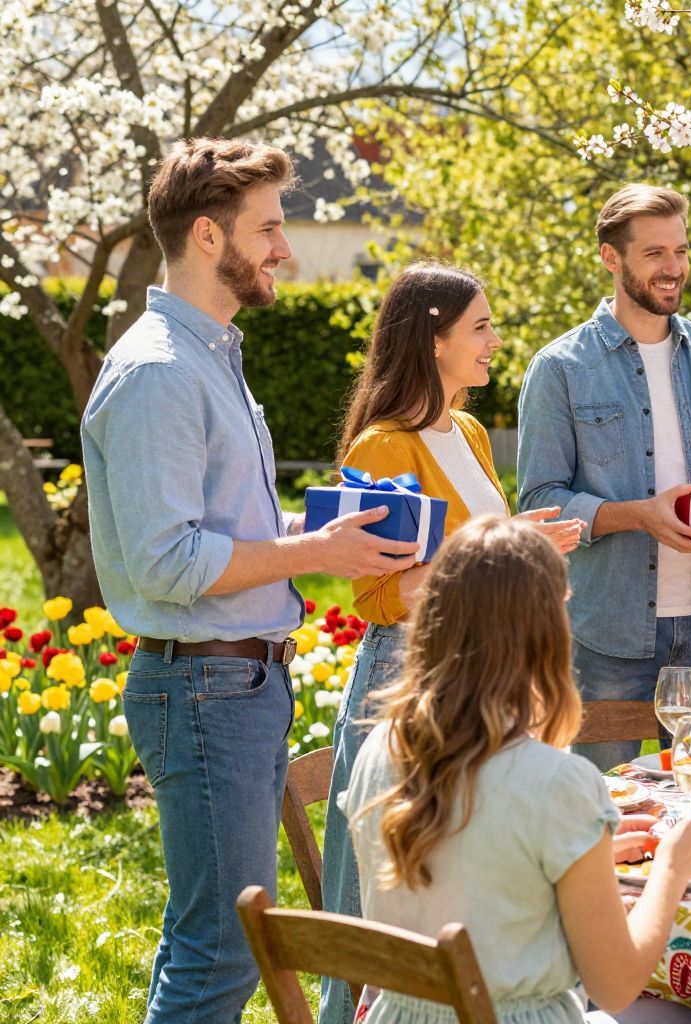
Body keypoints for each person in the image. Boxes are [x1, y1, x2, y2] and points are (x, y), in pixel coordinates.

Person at [80, 138, 419, 1024]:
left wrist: (325, 535)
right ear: (205, 235)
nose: (284, 248)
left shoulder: (209, 356)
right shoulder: (160, 371)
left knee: (211, 941)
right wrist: (315, 552)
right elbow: (168, 560)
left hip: (235, 682)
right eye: (268, 228)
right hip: (205, 686)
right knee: (222, 954)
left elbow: (222, 536)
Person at [316, 262, 584, 1024]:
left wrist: (520, 544)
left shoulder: (466, 431)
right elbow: (376, 592)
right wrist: (494, 555)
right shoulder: (383, 447)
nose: (496, 341)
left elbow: (473, 549)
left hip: (477, 676)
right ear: (434, 341)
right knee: (366, 918)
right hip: (403, 676)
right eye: (482, 327)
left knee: (457, 886)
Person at [343, 515, 691, 1023]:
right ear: (545, 635)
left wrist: (582, 858)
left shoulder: (381, 749)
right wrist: (672, 867)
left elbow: (467, 879)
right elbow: (617, 985)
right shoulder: (556, 783)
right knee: (690, 1018)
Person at [517, 184, 691, 771]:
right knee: (603, 813)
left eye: (681, 250)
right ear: (611, 258)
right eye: (654, 254)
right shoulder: (561, 369)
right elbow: (539, 503)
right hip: (607, 636)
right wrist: (640, 516)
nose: (673, 268)